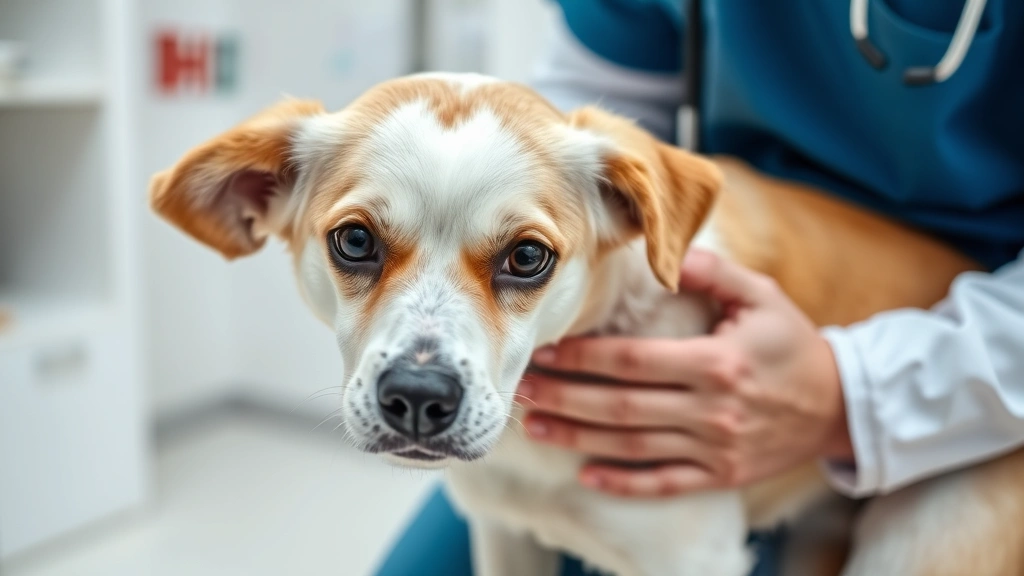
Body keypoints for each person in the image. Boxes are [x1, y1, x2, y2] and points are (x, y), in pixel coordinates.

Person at [374, 1, 1024, 574]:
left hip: (991, 371)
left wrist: (852, 397)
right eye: (358, 246)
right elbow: (582, 111)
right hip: (723, 233)